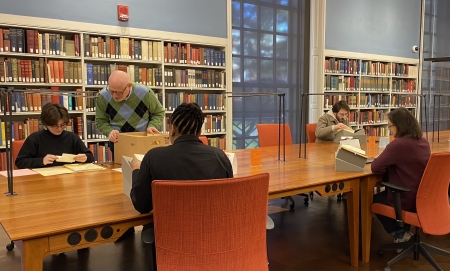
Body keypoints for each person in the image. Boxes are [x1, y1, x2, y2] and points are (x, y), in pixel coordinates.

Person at [130, 102, 233, 214]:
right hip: (212, 228)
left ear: (172, 129)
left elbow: (141, 206)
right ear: (199, 132)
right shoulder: (220, 157)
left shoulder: (153, 157)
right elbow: (227, 200)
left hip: (168, 229)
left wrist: (136, 170)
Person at [371, 107, 430, 244]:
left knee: (372, 199)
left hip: (406, 199)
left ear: (399, 125)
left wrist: (381, 159)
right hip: (423, 197)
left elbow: (376, 168)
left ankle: (400, 234)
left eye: (390, 126)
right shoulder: (423, 142)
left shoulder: (398, 145)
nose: (390, 130)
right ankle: (403, 232)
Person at [95, 70, 165, 154]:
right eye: (111, 91)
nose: (114, 96)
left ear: (129, 86)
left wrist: (152, 125)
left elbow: (158, 112)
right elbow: (100, 121)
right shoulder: (103, 96)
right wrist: (109, 131)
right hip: (119, 143)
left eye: (119, 92)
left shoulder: (145, 92)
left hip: (143, 141)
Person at [15, 103, 94, 169]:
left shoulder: (72, 137)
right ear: (46, 124)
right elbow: (20, 162)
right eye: (54, 126)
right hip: (43, 179)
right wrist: (42, 161)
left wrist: (85, 158)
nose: (59, 129)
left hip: (68, 178)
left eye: (63, 125)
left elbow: (90, 156)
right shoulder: (35, 139)